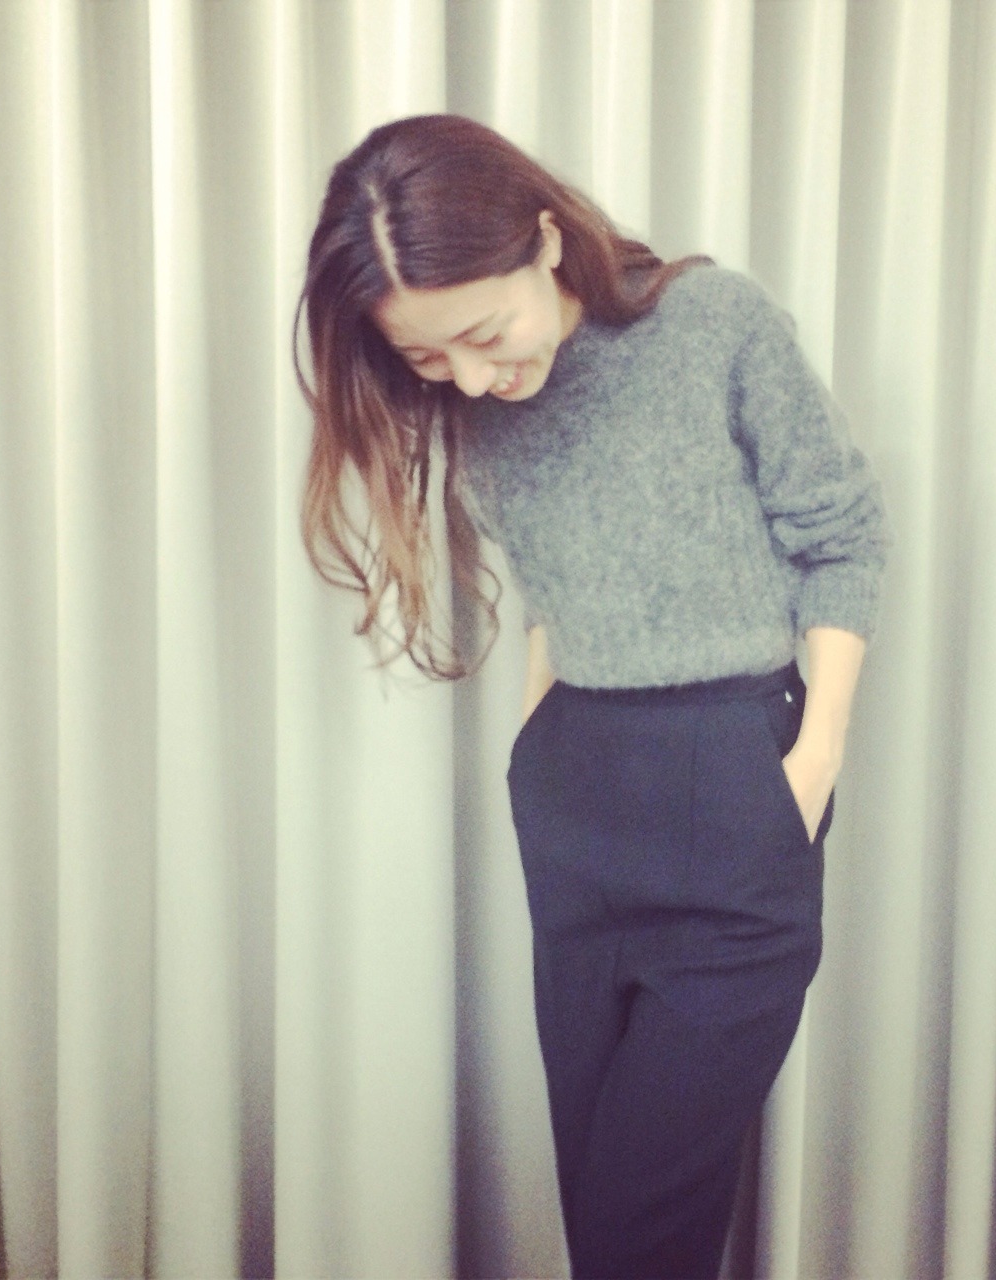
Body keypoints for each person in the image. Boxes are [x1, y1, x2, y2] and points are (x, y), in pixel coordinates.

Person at [294, 113, 890, 1280]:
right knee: (607, 1219)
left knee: (636, 1231)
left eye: (483, 333)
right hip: (576, 807)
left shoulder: (712, 325)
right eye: (429, 360)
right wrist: (535, 741)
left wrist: (808, 765)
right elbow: (552, 582)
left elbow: (842, 535)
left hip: (732, 794)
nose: (474, 378)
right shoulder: (472, 398)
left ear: (544, 239)